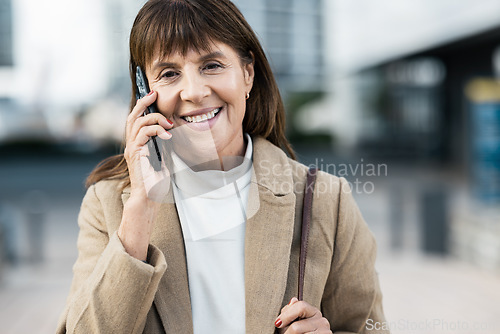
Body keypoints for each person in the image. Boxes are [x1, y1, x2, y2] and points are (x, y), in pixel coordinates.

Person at [57, 0, 388, 333]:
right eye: (169, 74)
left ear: (247, 74)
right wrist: (139, 214)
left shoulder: (328, 200)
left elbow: (371, 327)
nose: (195, 92)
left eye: (212, 65)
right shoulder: (109, 204)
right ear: (146, 93)